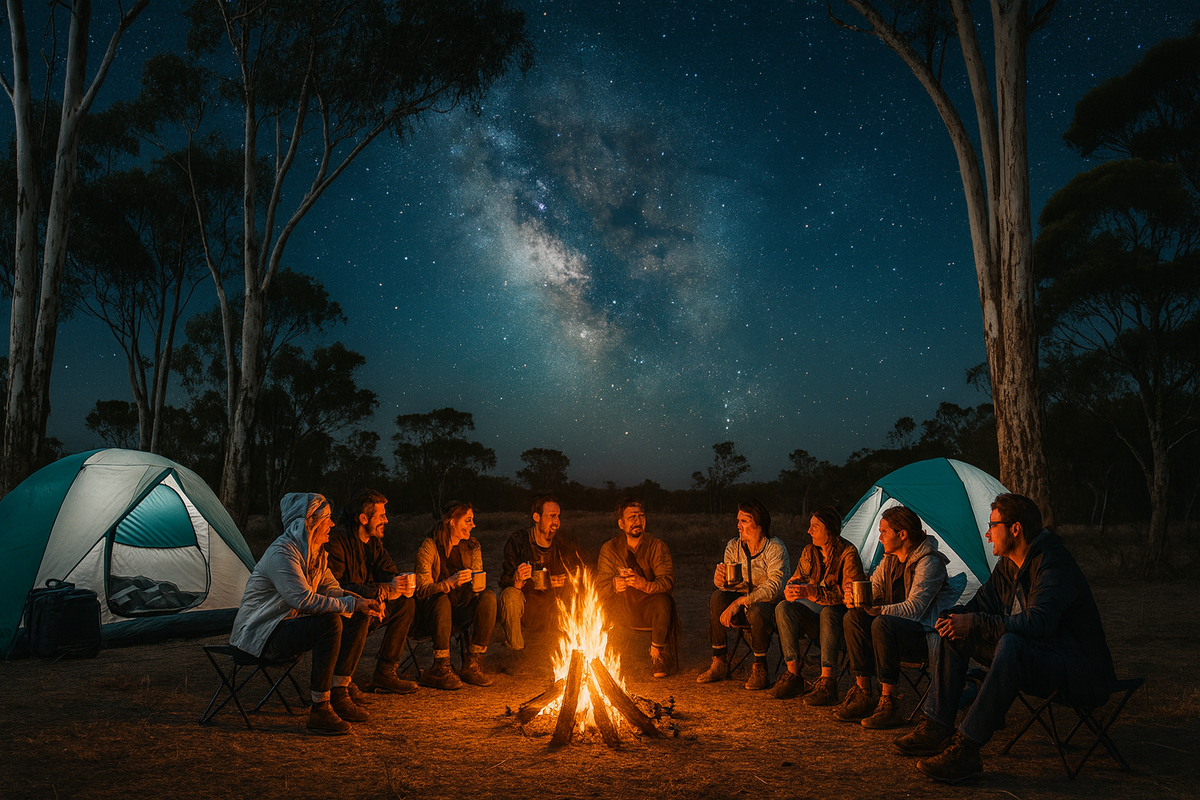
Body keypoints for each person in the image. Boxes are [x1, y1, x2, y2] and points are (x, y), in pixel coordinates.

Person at [894, 493, 1116, 785]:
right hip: (1040, 657)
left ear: (1015, 529)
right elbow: (979, 607)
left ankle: (967, 750)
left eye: (992, 525)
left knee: (1011, 643)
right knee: (955, 630)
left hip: (1080, 672)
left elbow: (1039, 623)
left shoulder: (1053, 563)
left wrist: (974, 622)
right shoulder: (1008, 566)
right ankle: (937, 727)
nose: (987, 533)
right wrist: (953, 616)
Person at [230, 492, 384, 735]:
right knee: (331, 621)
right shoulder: (282, 554)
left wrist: (362, 602)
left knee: (358, 613)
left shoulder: (316, 555)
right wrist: (352, 604)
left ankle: (340, 691)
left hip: (286, 627)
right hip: (260, 636)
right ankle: (320, 707)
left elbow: (333, 589)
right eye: (327, 519)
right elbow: (302, 600)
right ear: (307, 522)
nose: (332, 524)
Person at [834, 505, 960, 728]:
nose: (879, 537)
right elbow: (873, 589)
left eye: (884, 532)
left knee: (882, 622)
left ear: (902, 535)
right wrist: (855, 598)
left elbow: (916, 609)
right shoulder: (890, 560)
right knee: (853, 616)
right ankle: (864, 693)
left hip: (924, 636)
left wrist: (878, 610)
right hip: (891, 634)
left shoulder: (929, 562)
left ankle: (888, 703)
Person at [325, 488, 419, 695]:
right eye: (382, 516)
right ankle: (341, 683)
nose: (386, 520)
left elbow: (388, 572)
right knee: (362, 611)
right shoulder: (338, 542)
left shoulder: (374, 542)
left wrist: (399, 584)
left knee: (405, 603)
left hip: (370, 606)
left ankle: (385, 672)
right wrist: (381, 591)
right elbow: (336, 588)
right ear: (363, 518)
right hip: (342, 613)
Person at [770, 505, 865, 703]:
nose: (809, 531)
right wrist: (792, 589)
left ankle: (828, 682)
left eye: (815, 526)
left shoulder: (848, 553)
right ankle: (793, 674)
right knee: (783, 608)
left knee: (829, 612)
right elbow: (799, 578)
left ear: (829, 530)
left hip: (838, 619)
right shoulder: (809, 551)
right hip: (814, 616)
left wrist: (814, 595)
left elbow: (849, 594)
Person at [696, 499, 789, 689]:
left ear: (759, 524)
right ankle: (719, 662)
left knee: (756, 610)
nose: (738, 525)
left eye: (745, 521)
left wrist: (740, 601)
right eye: (738, 520)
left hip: (769, 606)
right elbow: (729, 586)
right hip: (742, 601)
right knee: (717, 598)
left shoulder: (774, 548)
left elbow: (774, 587)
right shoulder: (733, 546)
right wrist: (720, 581)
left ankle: (760, 668)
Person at [413, 501, 497, 689]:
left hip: (459, 611)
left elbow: (478, 580)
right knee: (442, 598)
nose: (473, 525)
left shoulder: (473, 546)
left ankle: (472, 662)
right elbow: (422, 589)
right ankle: (440, 666)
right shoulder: (429, 546)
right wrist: (448, 583)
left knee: (488, 597)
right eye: (468, 520)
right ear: (452, 521)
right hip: (431, 614)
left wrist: (476, 584)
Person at [596, 497, 679, 678]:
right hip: (623, 605)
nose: (637, 521)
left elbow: (668, 582)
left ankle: (657, 655)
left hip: (649, 603)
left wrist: (645, 585)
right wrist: (614, 584)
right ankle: (610, 657)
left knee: (663, 602)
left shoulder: (657, 546)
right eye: (632, 517)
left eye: (641, 516)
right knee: (608, 606)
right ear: (621, 523)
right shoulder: (609, 549)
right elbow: (599, 586)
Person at [498, 495, 584, 651]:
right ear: (536, 517)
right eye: (552, 516)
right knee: (510, 595)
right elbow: (505, 580)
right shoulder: (518, 542)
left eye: (558, 517)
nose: (556, 522)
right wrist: (518, 580)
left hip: (554, 604)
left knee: (577, 593)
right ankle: (516, 650)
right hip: (527, 603)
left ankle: (572, 647)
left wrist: (570, 580)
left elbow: (578, 575)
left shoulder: (564, 544)